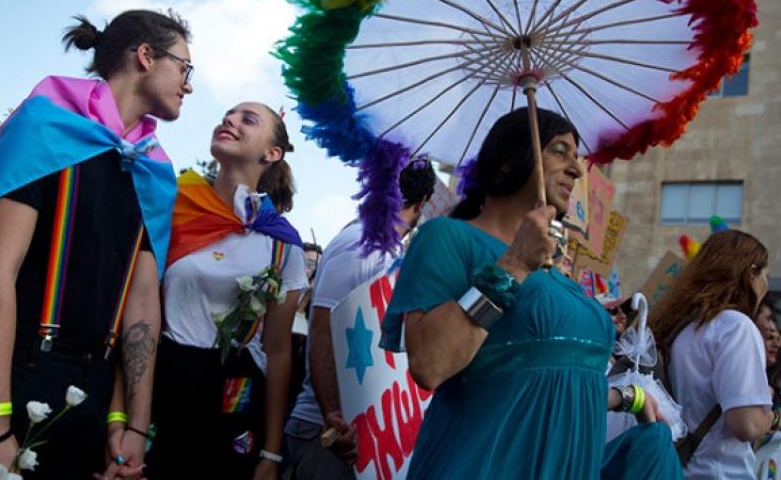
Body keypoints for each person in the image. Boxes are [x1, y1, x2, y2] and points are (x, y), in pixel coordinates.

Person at [0, 10, 192, 479]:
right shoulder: (44, 130)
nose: (189, 85)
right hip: (11, 376)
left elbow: (142, 304)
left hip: (95, 395)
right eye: (185, 68)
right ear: (146, 56)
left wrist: (133, 426)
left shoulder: (153, 169)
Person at [379, 107, 681, 479]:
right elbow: (430, 365)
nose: (576, 168)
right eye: (559, 150)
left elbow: (550, 385)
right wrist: (514, 265)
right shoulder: (448, 237)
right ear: (507, 162)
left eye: (577, 157)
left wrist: (628, 399)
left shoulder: (560, 276)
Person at [147, 102, 307, 479]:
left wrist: (271, 452)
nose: (230, 121)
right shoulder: (173, 208)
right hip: (162, 384)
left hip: (233, 399)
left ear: (271, 154)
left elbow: (278, 351)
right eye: (228, 116)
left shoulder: (282, 244)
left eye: (247, 120)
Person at [284, 159, 436, 480]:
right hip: (328, 436)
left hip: (354, 437)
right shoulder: (362, 246)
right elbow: (325, 331)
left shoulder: (384, 251)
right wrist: (333, 417)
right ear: (422, 204)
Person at [650, 229, 774, 479]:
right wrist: (772, 415)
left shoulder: (680, 329)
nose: (766, 287)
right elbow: (746, 424)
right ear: (750, 273)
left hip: (676, 468)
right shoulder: (736, 326)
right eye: (766, 276)